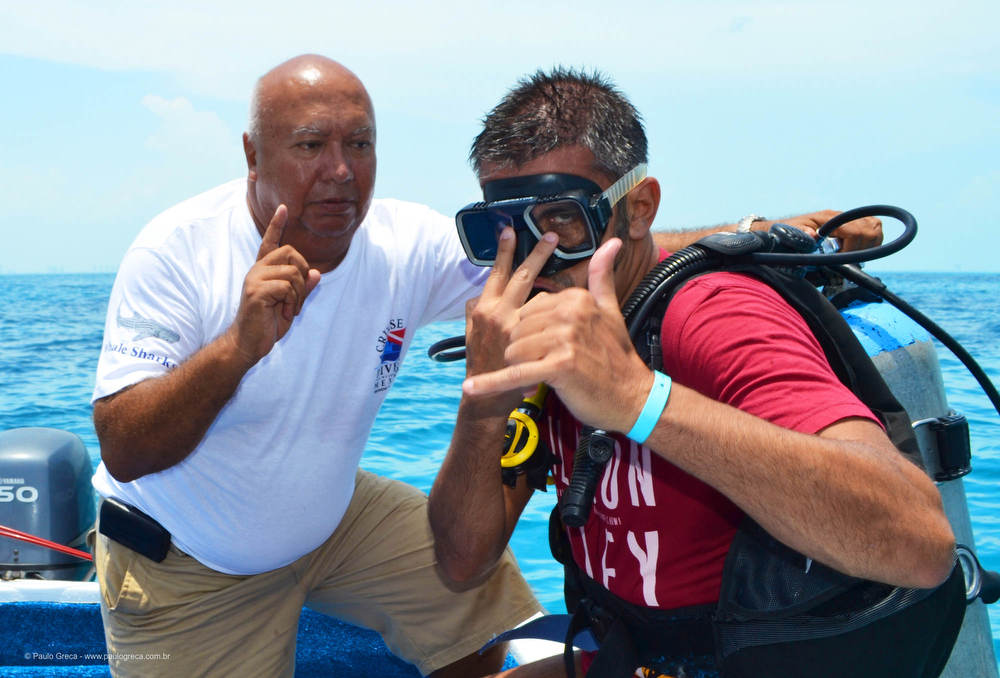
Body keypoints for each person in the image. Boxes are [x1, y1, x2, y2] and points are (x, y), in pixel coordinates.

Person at [427, 69, 958, 677]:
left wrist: (636, 400)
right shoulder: (548, 348)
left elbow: (922, 546)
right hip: (647, 654)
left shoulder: (712, 317)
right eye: (501, 233)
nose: (536, 259)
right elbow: (461, 562)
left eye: (562, 223)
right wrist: (484, 396)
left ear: (638, 209)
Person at [89, 54, 543, 678]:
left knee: (471, 588)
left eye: (359, 144)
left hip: (331, 524)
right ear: (253, 156)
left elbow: (553, 267)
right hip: (189, 558)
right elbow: (124, 448)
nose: (339, 171)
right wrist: (237, 348)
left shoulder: (403, 242)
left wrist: (709, 246)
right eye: (310, 145)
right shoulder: (175, 252)